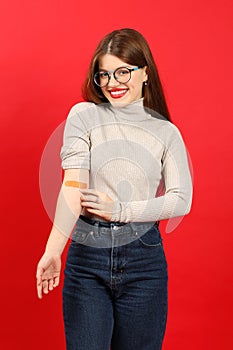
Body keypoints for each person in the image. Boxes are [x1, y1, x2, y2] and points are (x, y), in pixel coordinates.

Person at [36, 28, 193, 350]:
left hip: (144, 260)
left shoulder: (166, 132)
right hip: (87, 256)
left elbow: (181, 200)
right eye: (103, 74)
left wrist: (122, 210)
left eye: (123, 71)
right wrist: (54, 250)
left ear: (145, 71)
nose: (112, 82)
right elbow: (72, 186)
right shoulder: (84, 116)